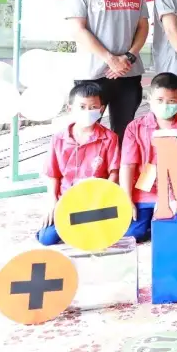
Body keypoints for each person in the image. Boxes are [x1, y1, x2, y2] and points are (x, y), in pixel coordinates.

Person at [64, 0, 148, 146]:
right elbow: (77, 29)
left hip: (128, 72)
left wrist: (128, 57)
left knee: (124, 133)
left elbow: (143, 27)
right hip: (92, 74)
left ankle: (117, 168)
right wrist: (110, 59)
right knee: (87, 133)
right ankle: (89, 169)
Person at [36, 82, 119, 245]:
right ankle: (78, 223)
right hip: (67, 199)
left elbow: (114, 173)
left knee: (102, 235)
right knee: (47, 238)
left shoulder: (110, 138)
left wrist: (101, 197)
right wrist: (52, 201)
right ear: (70, 109)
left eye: (93, 107)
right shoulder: (59, 139)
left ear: (101, 109)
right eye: (82, 107)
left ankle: (82, 224)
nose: (87, 111)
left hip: (97, 200)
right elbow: (53, 174)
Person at [119, 73, 177, 242]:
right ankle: (148, 224)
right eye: (159, 100)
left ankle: (156, 224)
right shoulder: (135, 128)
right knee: (132, 235)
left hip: (174, 195)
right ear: (149, 98)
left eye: (171, 101)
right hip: (143, 194)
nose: (165, 105)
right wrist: (127, 199)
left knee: (171, 235)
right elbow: (127, 165)